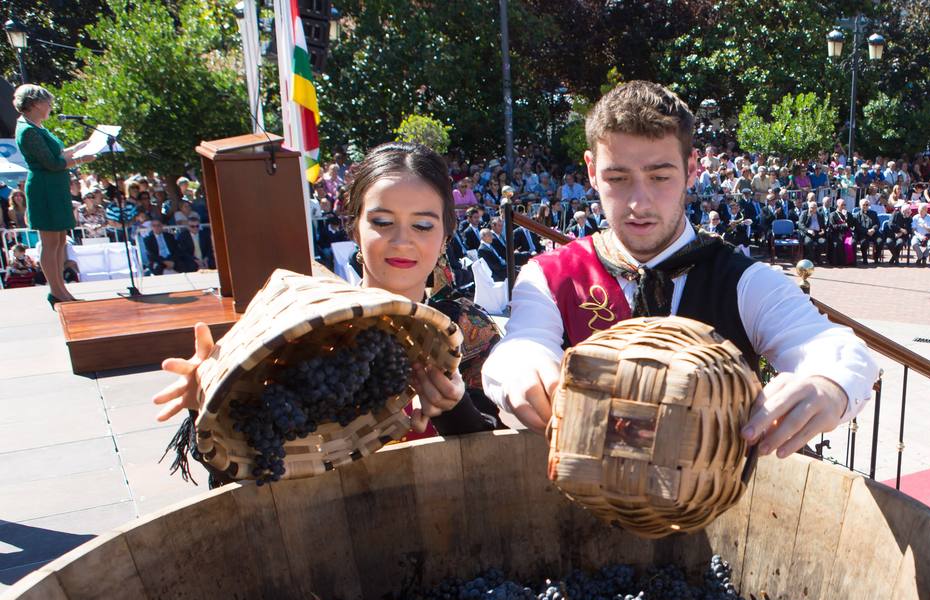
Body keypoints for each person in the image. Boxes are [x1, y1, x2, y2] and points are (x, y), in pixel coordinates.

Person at [483, 81, 877, 458]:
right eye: (617, 178)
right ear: (590, 170)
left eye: (659, 177)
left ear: (691, 168)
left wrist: (828, 384)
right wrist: (520, 369)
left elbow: (832, 346)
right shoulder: (550, 276)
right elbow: (523, 344)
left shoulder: (744, 281)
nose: (639, 203)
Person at [155, 142, 503, 439]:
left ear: (445, 236)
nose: (402, 241)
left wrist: (454, 408)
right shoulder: (300, 329)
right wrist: (211, 399)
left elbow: (498, 459)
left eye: (422, 225)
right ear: (354, 228)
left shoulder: (468, 332)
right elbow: (253, 463)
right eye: (382, 222)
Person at [13, 84, 95, 305]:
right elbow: (51, 163)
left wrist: (78, 147)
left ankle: (61, 289)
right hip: (44, 189)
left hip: (54, 188)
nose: (50, 106)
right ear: (34, 104)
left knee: (60, 241)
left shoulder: (36, 126)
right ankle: (57, 291)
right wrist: (81, 160)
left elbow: (57, 153)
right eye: (47, 102)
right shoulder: (28, 130)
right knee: (50, 242)